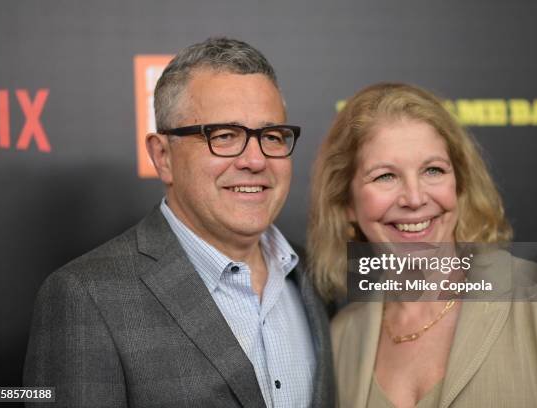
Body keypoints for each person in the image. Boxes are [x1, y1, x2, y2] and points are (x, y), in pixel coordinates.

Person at [24, 37, 333, 408]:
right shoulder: (85, 297)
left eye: (271, 136)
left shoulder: (319, 276)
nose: (255, 159)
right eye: (224, 136)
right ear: (163, 156)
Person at [308, 83, 537, 407]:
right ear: (346, 201)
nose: (415, 198)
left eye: (433, 170)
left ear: (458, 184)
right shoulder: (341, 338)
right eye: (385, 176)